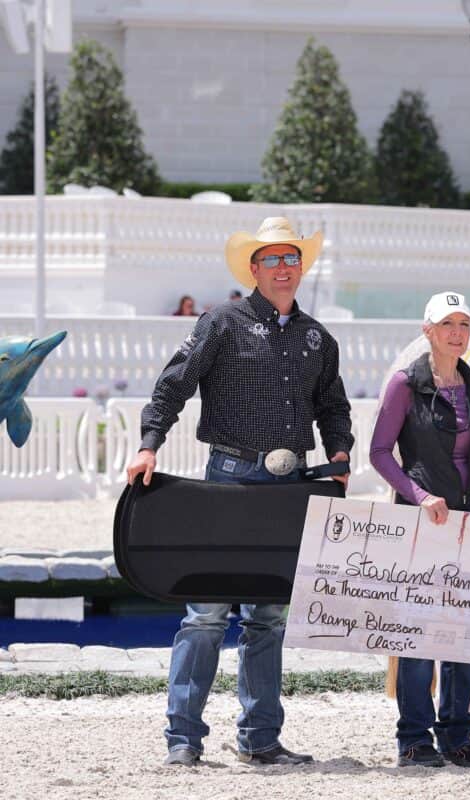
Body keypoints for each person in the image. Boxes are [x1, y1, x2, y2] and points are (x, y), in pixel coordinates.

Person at [126, 216, 354, 767]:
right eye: (272, 258)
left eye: (291, 258)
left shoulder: (318, 338)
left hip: (290, 486)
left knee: (269, 618)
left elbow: (333, 404)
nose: (283, 267)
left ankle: (260, 739)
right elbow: (173, 384)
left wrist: (341, 453)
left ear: (302, 268)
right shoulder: (220, 323)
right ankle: (183, 738)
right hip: (228, 480)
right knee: (205, 614)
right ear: (253, 269)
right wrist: (149, 444)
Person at [369, 291, 470, 769]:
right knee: (420, 635)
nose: (458, 333)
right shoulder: (406, 384)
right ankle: (414, 739)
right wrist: (420, 496)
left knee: (464, 632)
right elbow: (380, 453)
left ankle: (457, 737)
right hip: (423, 523)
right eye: (448, 324)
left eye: (464, 324)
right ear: (428, 331)